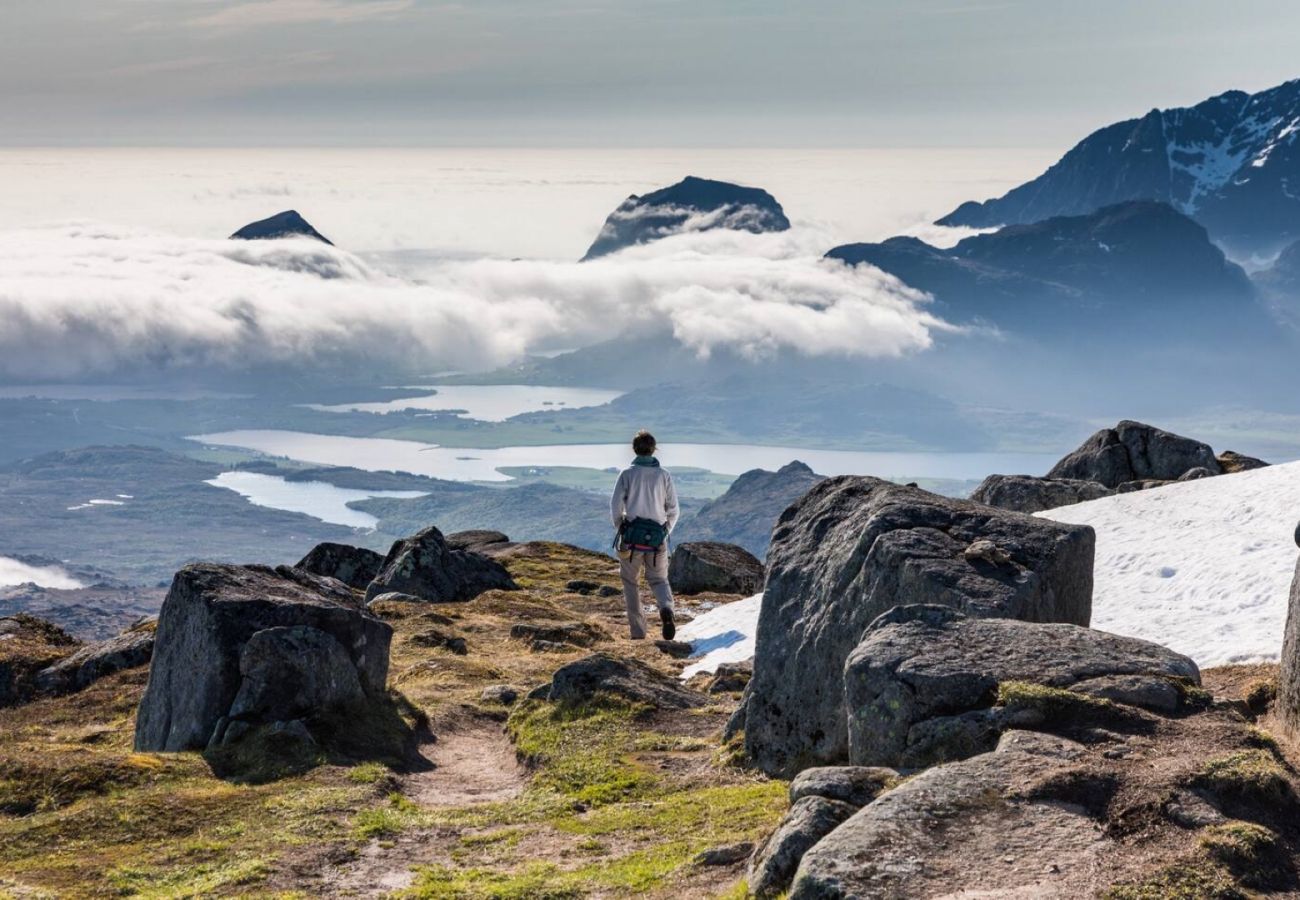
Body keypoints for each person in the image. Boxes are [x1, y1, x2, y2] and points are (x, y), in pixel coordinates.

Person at [609, 430, 679, 640]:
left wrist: (620, 526)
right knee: (659, 579)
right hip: (657, 537)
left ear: (634, 449)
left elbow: (615, 505)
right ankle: (666, 608)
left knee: (630, 582)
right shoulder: (663, 475)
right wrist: (666, 530)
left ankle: (638, 632)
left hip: (631, 539)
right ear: (653, 449)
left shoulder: (627, 475)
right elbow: (674, 509)